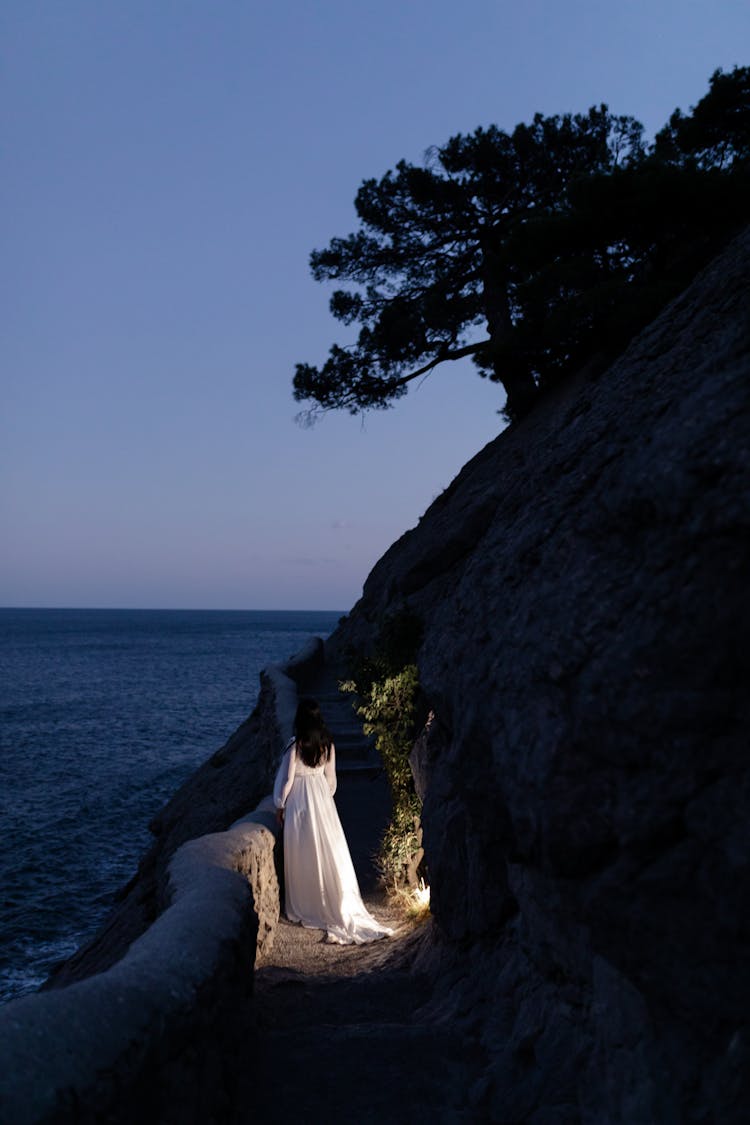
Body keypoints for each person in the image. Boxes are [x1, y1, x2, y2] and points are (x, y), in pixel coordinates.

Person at [273, 697, 392, 945]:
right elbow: (332, 782)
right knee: (327, 848)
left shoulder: (295, 746)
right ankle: (331, 897)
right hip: (321, 799)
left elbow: (286, 782)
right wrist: (323, 798)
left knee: (304, 850)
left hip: (300, 801)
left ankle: (308, 901)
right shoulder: (327, 745)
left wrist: (280, 805)